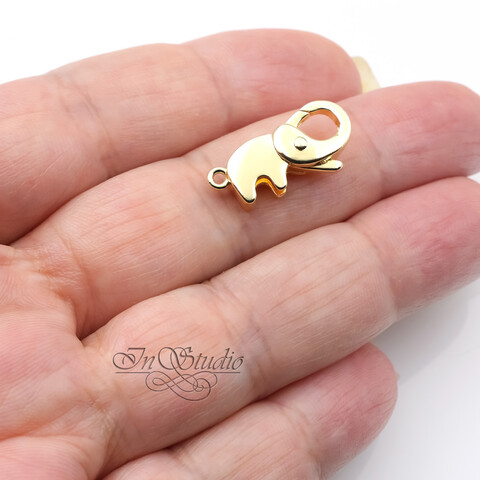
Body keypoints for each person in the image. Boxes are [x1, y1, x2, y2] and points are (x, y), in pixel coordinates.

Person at [0, 28, 479, 479]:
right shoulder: (269, 152)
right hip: (245, 177)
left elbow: (295, 168)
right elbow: (280, 174)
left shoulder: (286, 151)